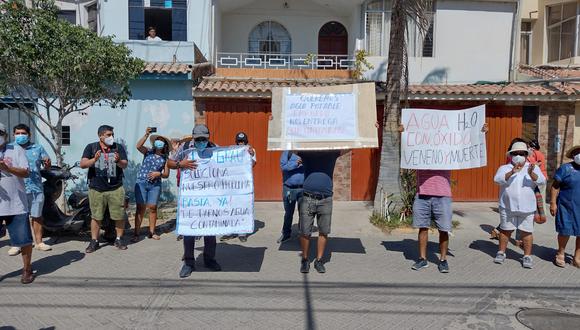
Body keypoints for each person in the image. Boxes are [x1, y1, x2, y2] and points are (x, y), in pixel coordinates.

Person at [401, 123, 488, 273]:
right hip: (422, 193)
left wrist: (482, 134)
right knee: (423, 227)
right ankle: (422, 259)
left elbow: (467, 146)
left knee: (444, 229)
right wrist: (403, 134)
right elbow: (405, 149)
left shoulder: (448, 151)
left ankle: (443, 260)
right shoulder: (419, 149)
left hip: (443, 195)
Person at [168, 124, 222, 278]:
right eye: (198, 139)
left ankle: (209, 259)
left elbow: (231, 161)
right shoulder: (184, 147)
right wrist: (180, 164)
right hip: (191, 199)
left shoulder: (214, 147)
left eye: (204, 139)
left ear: (208, 137)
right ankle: (189, 263)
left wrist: (247, 152)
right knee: (189, 231)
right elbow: (170, 163)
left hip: (210, 198)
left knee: (210, 230)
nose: (201, 142)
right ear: (193, 137)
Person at [493, 141, 546, 269]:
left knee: (526, 232)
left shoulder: (532, 167)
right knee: (505, 230)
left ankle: (527, 256)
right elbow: (497, 180)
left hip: (527, 207)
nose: (518, 156)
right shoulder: (504, 168)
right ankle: (501, 252)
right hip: (507, 206)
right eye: (515, 153)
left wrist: (531, 174)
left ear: (526, 155)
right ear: (511, 155)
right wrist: (512, 172)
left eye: (521, 153)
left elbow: (541, 181)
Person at [297, 150, 348, 274]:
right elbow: (287, 145)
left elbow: (352, 144)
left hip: (326, 199)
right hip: (308, 197)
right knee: (305, 231)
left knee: (324, 231)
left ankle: (319, 261)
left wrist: (369, 130)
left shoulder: (332, 152)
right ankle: (305, 259)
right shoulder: (305, 152)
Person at [80, 125, 129, 253]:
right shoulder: (91, 147)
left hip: (116, 187)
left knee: (119, 215)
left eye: (112, 134)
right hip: (97, 188)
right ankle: (94, 241)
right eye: (108, 135)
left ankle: (118, 239)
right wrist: (94, 159)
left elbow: (125, 164)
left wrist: (118, 161)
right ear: (100, 136)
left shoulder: (118, 147)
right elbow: (83, 164)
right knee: (96, 216)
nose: (111, 137)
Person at [6, 124, 52, 256]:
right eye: (18, 133)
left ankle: (39, 242)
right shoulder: (9, 148)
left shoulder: (38, 148)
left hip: (35, 187)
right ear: (13, 134)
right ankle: (17, 244)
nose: (20, 135)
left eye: (23, 133)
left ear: (29, 135)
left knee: (37, 216)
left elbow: (46, 166)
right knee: (17, 217)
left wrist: (47, 164)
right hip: (16, 189)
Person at [0, 122, 35, 284]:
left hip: (16, 204)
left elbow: (26, 172)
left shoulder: (16, 150)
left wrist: (7, 168)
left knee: (24, 241)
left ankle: (27, 270)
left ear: (6, 135)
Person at [132, 127, 171, 242]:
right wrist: (146, 135)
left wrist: (158, 173)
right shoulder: (148, 151)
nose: (159, 142)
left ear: (164, 145)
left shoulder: (165, 158)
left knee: (153, 208)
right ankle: (136, 233)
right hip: (142, 182)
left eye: (162, 141)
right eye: (157, 140)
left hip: (155, 185)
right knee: (140, 208)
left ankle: (152, 232)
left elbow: (166, 174)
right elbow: (138, 146)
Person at [220, 132, 256, 243]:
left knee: (242, 208)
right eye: (239, 141)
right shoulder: (231, 150)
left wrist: (250, 154)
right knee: (230, 208)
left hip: (244, 186)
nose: (241, 143)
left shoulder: (251, 150)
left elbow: (253, 164)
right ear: (236, 142)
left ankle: (242, 233)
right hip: (231, 185)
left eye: (243, 141)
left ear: (246, 141)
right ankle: (229, 232)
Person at [550, 145, 580, 268]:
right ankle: (560, 253)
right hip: (566, 206)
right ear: (573, 155)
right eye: (578, 152)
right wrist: (552, 203)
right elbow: (555, 186)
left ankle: (577, 257)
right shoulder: (565, 168)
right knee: (564, 230)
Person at [278, 150, 304, 244]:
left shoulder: (306, 153)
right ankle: (286, 234)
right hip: (289, 190)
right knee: (288, 213)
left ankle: (302, 235)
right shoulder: (287, 153)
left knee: (303, 213)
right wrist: (296, 163)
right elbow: (283, 167)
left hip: (303, 189)